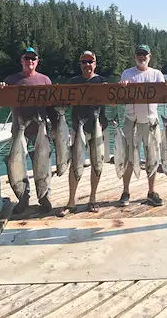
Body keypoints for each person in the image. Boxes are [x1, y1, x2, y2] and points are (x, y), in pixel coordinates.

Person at [117, 44, 167, 207]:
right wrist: (122, 87)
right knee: (128, 157)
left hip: (151, 121)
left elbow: (165, 95)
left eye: (145, 54)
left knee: (152, 157)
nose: (142, 57)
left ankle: (151, 192)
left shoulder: (157, 74)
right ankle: (126, 192)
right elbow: (121, 96)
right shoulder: (127, 73)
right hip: (131, 121)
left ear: (150, 56)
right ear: (134, 56)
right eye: (139, 54)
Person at [0, 47, 53, 214]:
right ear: (21, 60)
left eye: (33, 58)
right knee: (17, 164)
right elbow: (0, 101)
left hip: (40, 129)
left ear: (37, 61)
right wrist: (0, 88)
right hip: (19, 129)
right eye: (27, 58)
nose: (30, 61)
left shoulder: (45, 80)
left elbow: (51, 106)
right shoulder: (11, 80)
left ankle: (44, 197)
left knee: (43, 162)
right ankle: (24, 199)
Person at [60, 50, 109, 215]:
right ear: (80, 64)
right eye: (84, 62)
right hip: (78, 129)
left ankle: (93, 199)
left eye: (90, 61)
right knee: (75, 164)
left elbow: (116, 99)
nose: (87, 65)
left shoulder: (103, 82)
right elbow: (61, 99)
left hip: (98, 129)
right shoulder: (72, 82)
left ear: (95, 64)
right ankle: (71, 201)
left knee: (97, 164)